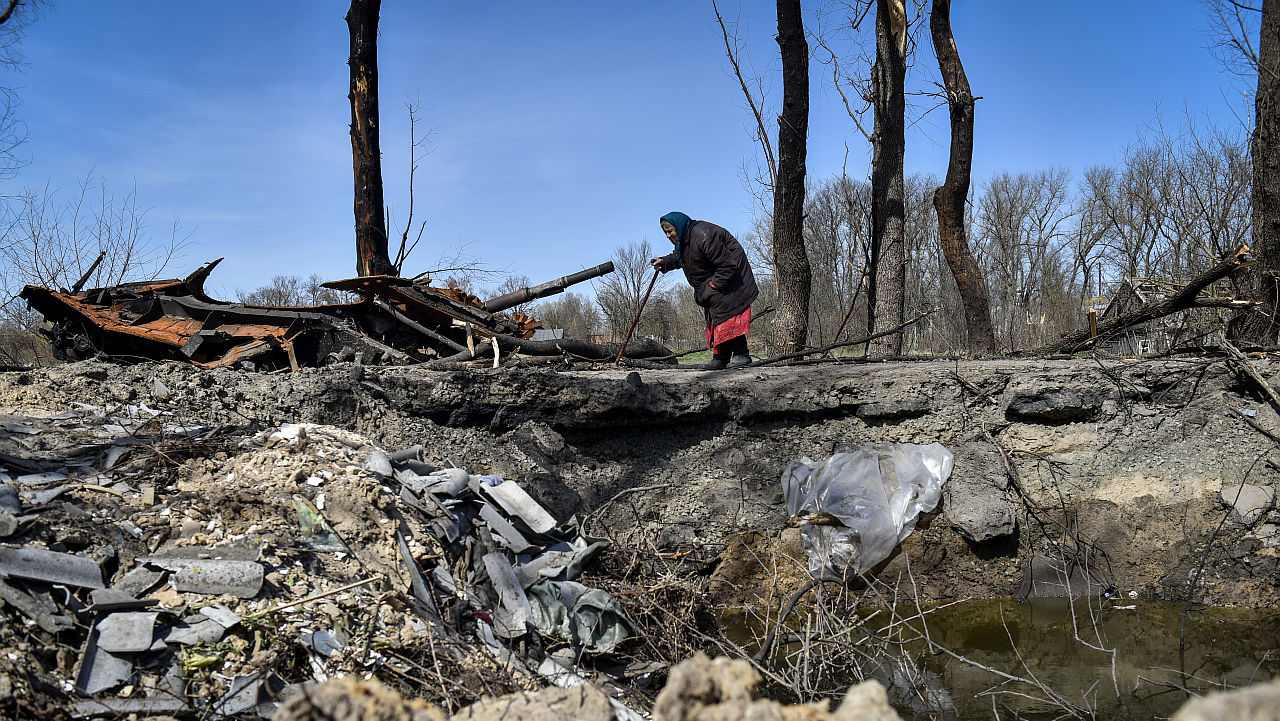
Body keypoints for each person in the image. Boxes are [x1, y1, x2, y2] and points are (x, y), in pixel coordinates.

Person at [651, 211, 759, 370]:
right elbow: (681, 256)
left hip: (733, 280)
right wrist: (665, 262)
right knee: (717, 318)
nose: (667, 235)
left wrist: (713, 286)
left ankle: (742, 354)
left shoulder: (703, 235)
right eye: (665, 232)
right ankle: (721, 358)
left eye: (670, 231)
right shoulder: (685, 240)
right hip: (715, 282)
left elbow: (728, 264)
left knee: (728, 316)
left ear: (679, 227)